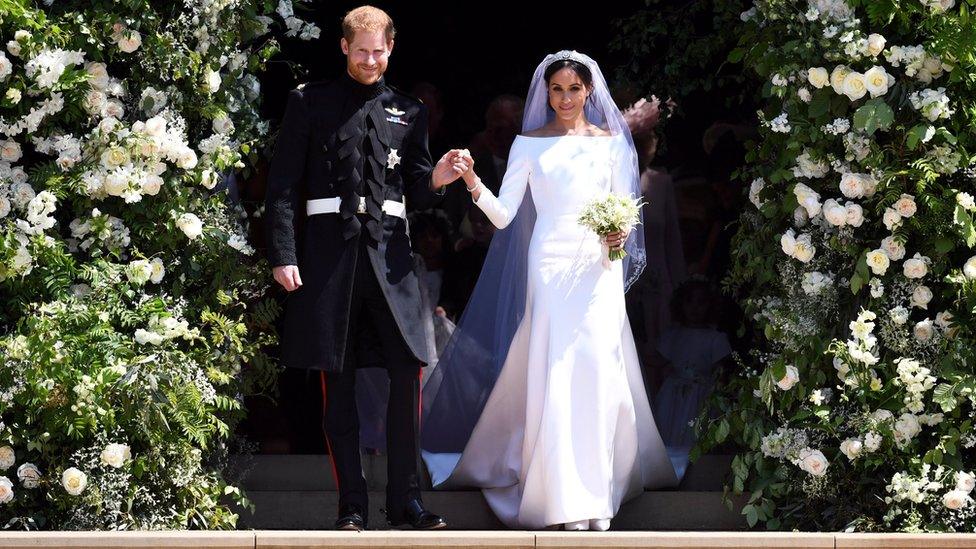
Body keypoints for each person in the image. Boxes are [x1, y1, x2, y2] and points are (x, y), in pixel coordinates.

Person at [419, 50, 678, 531]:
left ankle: (596, 494)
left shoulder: (612, 145)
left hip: (598, 268)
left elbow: (624, 213)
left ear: (589, 92)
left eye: (573, 89)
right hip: (549, 263)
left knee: (597, 368)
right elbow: (502, 216)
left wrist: (616, 240)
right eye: (556, 89)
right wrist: (473, 180)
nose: (564, 97)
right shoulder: (528, 145)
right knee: (556, 369)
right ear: (546, 92)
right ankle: (558, 495)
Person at [264, 5, 467, 531]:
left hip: (393, 266)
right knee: (340, 387)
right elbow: (283, 186)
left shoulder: (410, 109)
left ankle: (407, 503)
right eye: (361, 51)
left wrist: (441, 176)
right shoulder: (309, 102)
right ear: (344, 48)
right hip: (330, 264)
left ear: (391, 48)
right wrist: (284, 254)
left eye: (379, 51)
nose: (371, 60)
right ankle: (351, 504)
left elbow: (418, 187)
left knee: (407, 379)